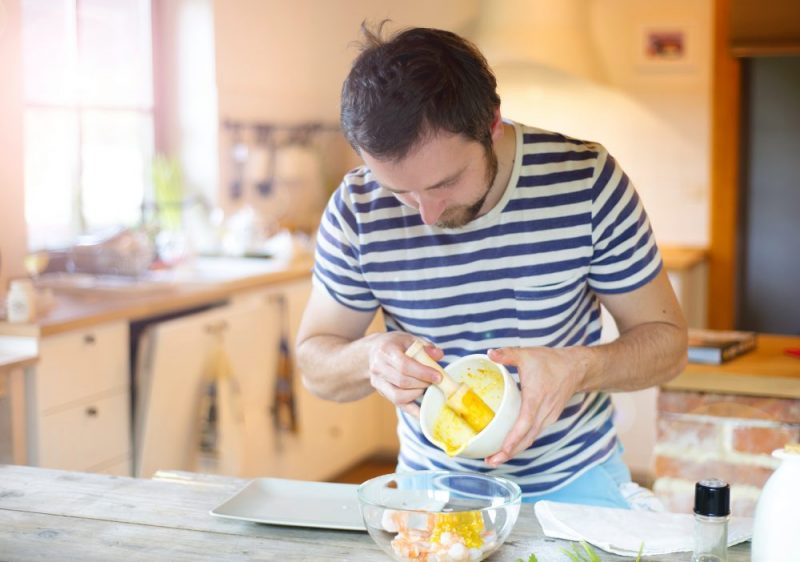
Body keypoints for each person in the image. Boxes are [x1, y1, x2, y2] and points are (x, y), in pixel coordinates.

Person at [296, 22, 687, 508]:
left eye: (445, 183)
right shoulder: (357, 208)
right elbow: (315, 364)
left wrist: (580, 367)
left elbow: (668, 344)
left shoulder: (585, 182)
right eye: (400, 192)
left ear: (493, 123)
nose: (427, 214)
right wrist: (369, 356)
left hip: (576, 483)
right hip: (432, 489)